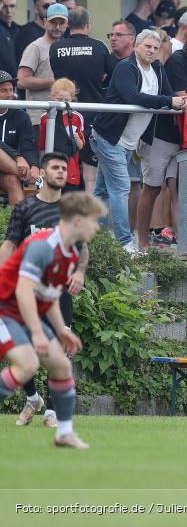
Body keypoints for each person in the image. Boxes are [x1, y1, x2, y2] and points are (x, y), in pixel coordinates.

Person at [0, 191, 107, 448]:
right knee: (27, 364)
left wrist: (61, 330)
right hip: (5, 310)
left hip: (23, 313)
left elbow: (48, 297)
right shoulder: (42, 246)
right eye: (94, 221)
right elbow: (24, 290)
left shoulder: (69, 254)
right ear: (78, 221)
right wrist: (37, 332)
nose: (96, 227)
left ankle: (64, 433)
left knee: (61, 366)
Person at [1, 153, 89, 429]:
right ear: (44, 173)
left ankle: (51, 412)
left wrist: (79, 272)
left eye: (64, 168)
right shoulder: (25, 208)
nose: (61, 172)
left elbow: (82, 249)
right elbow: (9, 246)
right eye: (55, 167)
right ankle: (32, 398)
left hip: (57, 292)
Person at [91, 29, 187, 254]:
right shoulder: (126, 67)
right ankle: (125, 243)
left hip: (128, 141)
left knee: (103, 191)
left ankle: (89, 237)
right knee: (121, 188)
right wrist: (169, 101)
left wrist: (179, 101)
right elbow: (133, 97)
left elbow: (167, 94)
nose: (152, 51)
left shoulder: (157, 68)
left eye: (155, 48)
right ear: (136, 46)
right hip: (109, 137)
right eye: (147, 47)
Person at [134, 26, 187, 251]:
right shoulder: (177, 60)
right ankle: (141, 242)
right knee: (151, 188)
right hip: (162, 134)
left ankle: (183, 243)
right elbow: (182, 98)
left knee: (181, 189)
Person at [49, 6, 116, 193]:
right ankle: (90, 220)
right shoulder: (99, 47)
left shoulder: (55, 48)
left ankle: (56, 218)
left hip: (65, 116)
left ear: (68, 24)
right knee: (90, 176)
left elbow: (58, 75)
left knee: (59, 170)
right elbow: (115, 75)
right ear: (88, 24)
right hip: (91, 117)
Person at [18, 3, 68, 129]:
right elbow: (21, 81)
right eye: (53, 22)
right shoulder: (36, 47)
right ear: (45, 22)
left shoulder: (67, 46)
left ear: (67, 24)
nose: (57, 27)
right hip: (39, 118)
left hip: (64, 116)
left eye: (61, 23)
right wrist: (56, 82)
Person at [37, 79, 84, 189]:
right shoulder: (45, 117)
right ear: (52, 97)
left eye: (66, 100)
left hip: (70, 171)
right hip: (50, 168)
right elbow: (42, 146)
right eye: (59, 99)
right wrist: (42, 168)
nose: (63, 103)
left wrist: (76, 139)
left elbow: (81, 146)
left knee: (69, 204)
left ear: (72, 99)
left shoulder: (77, 117)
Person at [0, 70, 39, 198]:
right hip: (15, 163)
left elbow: (28, 146)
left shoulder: (20, 116)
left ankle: (19, 218)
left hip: (7, 170)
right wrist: (17, 157)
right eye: (3, 91)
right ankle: (27, 177)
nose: (9, 94)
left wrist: (34, 166)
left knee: (13, 181)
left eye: (11, 90)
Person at [15, 0, 55, 64]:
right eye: (46, 6)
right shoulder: (27, 34)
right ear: (36, 9)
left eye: (53, 5)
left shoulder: (57, 31)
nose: (51, 9)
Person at [0, 0, 20, 76]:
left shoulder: (20, 31)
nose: (8, 11)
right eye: (5, 6)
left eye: (12, 6)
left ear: (16, 8)